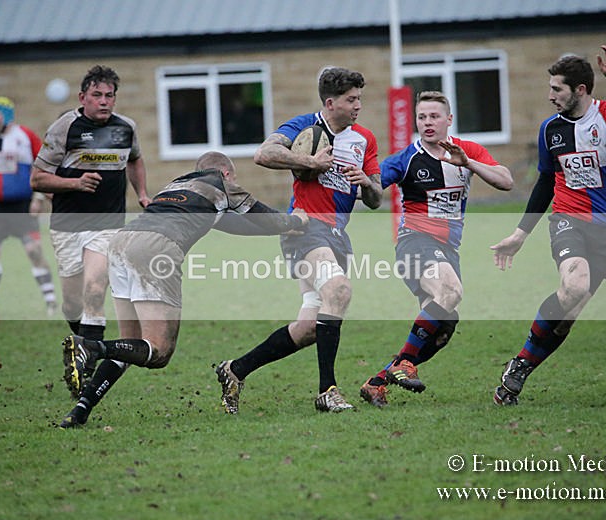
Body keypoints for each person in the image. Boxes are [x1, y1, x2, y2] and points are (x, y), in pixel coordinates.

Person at [58, 151, 309, 427]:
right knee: (159, 351)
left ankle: (80, 411)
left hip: (121, 243)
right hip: (156, 248)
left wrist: (281, 229)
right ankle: (90, 346)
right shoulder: (221, 184)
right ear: (226, 173)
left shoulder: (178, 185)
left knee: (128, 343)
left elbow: (236, 225)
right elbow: (264, 217)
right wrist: (296, 221)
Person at [489, 45, 606, 406]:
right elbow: (545, 183)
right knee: (574, 285)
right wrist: (520, 233)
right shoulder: (550, 130)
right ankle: (520, 364)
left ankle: (518, 369)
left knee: (569, 314)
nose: (550, 96)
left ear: (580, 90)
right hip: (568, 219)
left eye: (557, 89)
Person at [215, 66, 383, 414]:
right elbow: (264, 154)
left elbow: (376, 198)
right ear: (330, 102)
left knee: (308, 328)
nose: (358, 106)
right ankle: (327, 391)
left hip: (337, 234)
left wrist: (366, 182)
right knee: (339, 290)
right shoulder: (304, 126)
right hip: (305, 228)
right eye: (351, 100)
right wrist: (310, 161)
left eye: (359, 99)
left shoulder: (365, 139)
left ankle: (236, 370)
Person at [358, 91, 513, 407]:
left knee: (443, 328)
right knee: (450, 291)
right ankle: (403, 365)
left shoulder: (466, 151)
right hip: (414, 243)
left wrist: (468, 163)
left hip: (447, 251)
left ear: (449, 119)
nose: (427, 122)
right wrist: (362, 181)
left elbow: (506, 181)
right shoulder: (406, 159)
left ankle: (376, 382)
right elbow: (372, 190)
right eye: (421, 117)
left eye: (434, 116)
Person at [30, 65, 150, 392]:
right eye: (97, 95)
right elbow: (37, 179)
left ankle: (86, 366)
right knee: (72, 303)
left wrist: (141, 193)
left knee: (95, 290)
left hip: (108, 225)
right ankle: (80, 345)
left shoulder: (126, 127)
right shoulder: (64, 128)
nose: (104, 101)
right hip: (67, 226)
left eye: (109, 95)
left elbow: (135, 159)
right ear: (83, 97)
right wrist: (75, 183)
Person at [0, 97, 57, 320]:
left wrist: (38, 198)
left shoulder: (26, 136)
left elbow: (43, 167)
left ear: (7, 115)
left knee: (34, 252)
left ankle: (51, 303)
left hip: (22, 207)